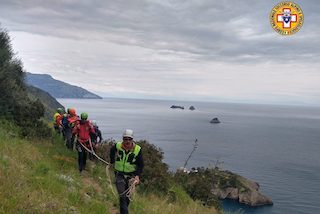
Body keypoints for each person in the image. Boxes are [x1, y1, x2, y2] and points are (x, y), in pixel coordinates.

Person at [109, 129, 144, 214]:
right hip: (119, 174)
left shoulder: (137, 149)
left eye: (129, 139)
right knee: (122, 196)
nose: (127, 141)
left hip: (131, 176)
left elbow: (141, 164)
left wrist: (137, 176)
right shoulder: (118, 145)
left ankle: (123, 210)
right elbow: (112, 151)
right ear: (123, 139)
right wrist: (112, 161)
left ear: (132, 139)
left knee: (127, 198)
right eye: (125, 139)